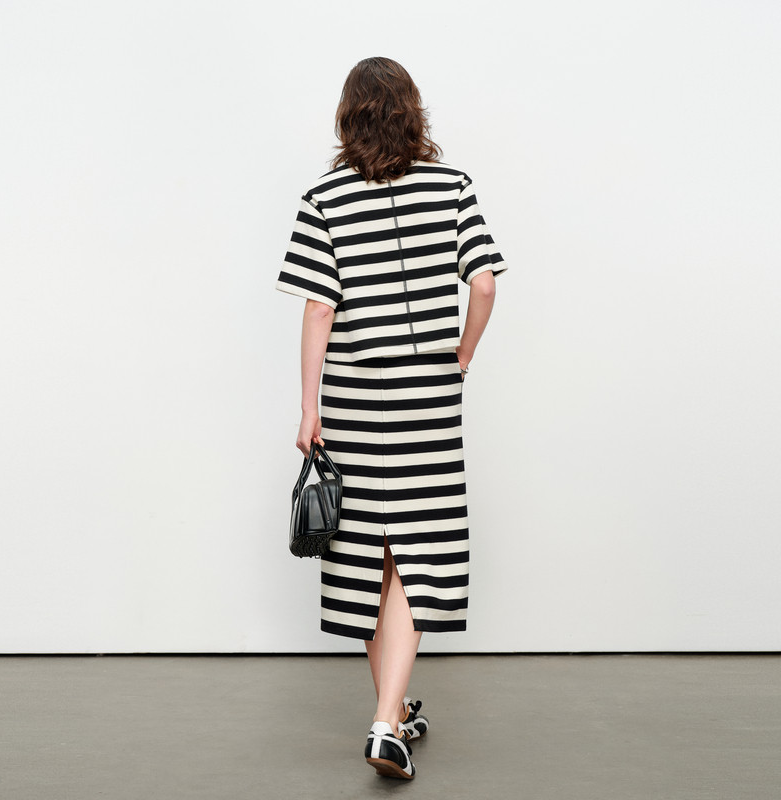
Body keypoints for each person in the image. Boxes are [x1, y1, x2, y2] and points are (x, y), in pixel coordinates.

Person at [276, 56, 507, 780]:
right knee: (418, 551)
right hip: (428, 400)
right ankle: (390, 720)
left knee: (364, 556)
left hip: (355, 399)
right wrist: (461, 354)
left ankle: (388, 716)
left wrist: (309, 405)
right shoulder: (452, 186)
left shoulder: (325, 198)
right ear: (413, 111)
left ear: (348, 118)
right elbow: (484, 283)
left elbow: (320, 307)